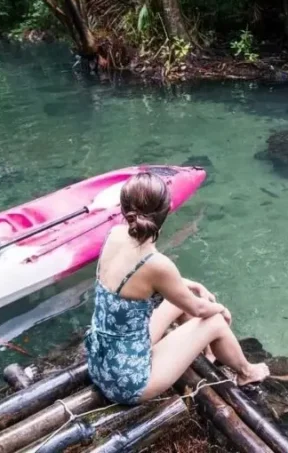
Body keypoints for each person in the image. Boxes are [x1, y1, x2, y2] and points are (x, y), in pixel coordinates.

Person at [85, 172, 270, 404]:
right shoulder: (157, 264)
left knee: (183, 300)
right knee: (215, 321)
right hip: (127, 382)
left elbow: (145, 280)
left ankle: (207, 354)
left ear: (124, 209)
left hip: (100, 361)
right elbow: (200, 310)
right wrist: (220, 309)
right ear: (168, 209)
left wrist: (193, 285)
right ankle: (246, 373)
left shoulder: (114, 235)